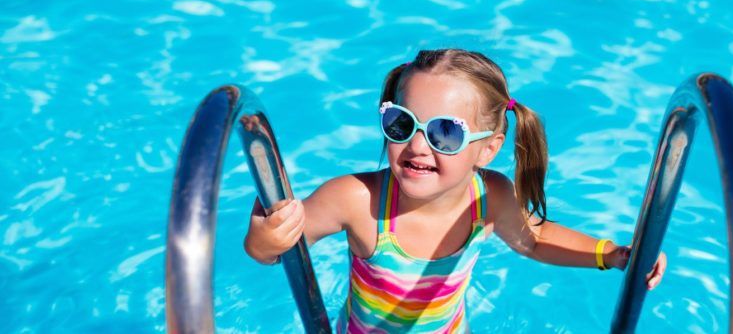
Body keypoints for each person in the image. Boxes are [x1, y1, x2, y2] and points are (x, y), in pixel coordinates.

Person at [244, 48, 667, 333]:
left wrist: (613, 255)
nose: (417, 146)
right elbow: (279, 248)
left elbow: (534, 240)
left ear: (488, 149)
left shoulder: (489, 198)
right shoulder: (357, 200)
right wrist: (264, 240)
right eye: (401, 123)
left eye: (445, 133)